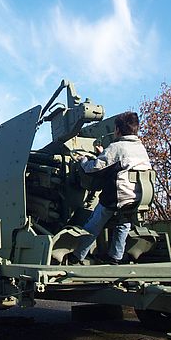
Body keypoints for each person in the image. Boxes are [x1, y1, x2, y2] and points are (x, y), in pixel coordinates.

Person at [68, 111, 152, 265]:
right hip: (137, 197)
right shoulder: (140, 148)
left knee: (94, 224)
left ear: (118, 130)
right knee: (123, 224)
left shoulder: (117, 147)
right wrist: (103, 154)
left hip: (116, 198)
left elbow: (93, 168)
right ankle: (115, 257)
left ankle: (77, 256)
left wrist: (83, 160)